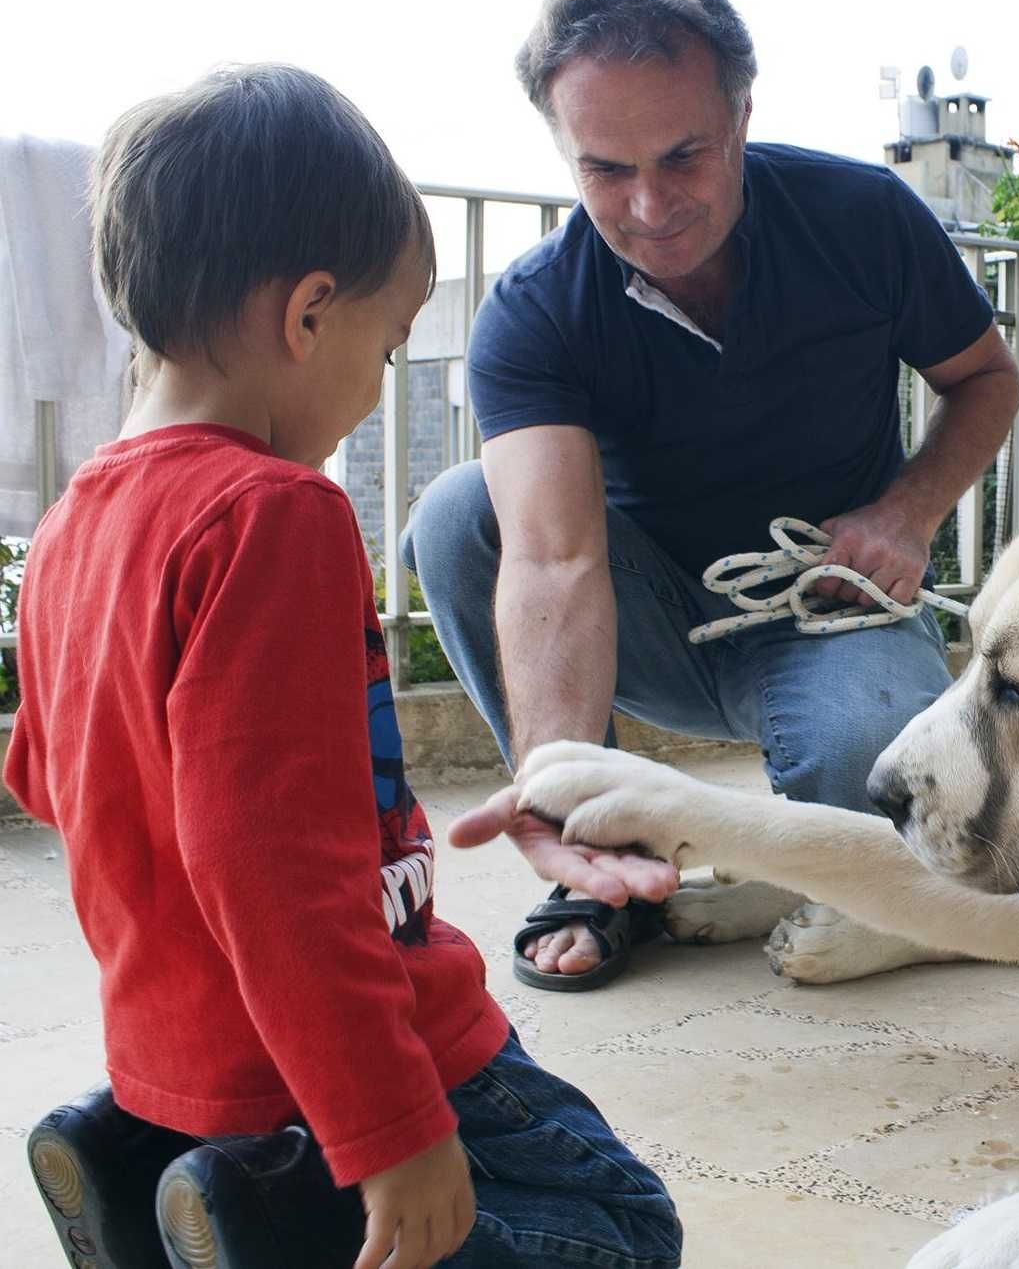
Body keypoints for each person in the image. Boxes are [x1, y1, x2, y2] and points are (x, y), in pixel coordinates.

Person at [6, 64, 681, 1269]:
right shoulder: (275, 512)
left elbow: (44, 774)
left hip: (176, 1052)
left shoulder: (71, 522)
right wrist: (389, 1121)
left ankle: (129, 1152)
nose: (379, 387)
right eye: (387, 344)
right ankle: (290, 1224)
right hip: (363, 1039)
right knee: (623, 1224)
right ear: (308, 312)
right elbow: (273, 863)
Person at [403, 0, 1019, 990]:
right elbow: (552, 561)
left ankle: (781, 847)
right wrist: (563, 790)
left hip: (833, 611)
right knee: (460, 512)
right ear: (562, 151)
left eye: (683, 155)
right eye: (605, 169)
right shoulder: (534, 310)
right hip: (647, 617)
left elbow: (985, 378)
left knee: (879, 785)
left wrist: (908, 512)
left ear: (739, 113)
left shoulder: (862, 218)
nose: (650, 207)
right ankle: (603, 865)